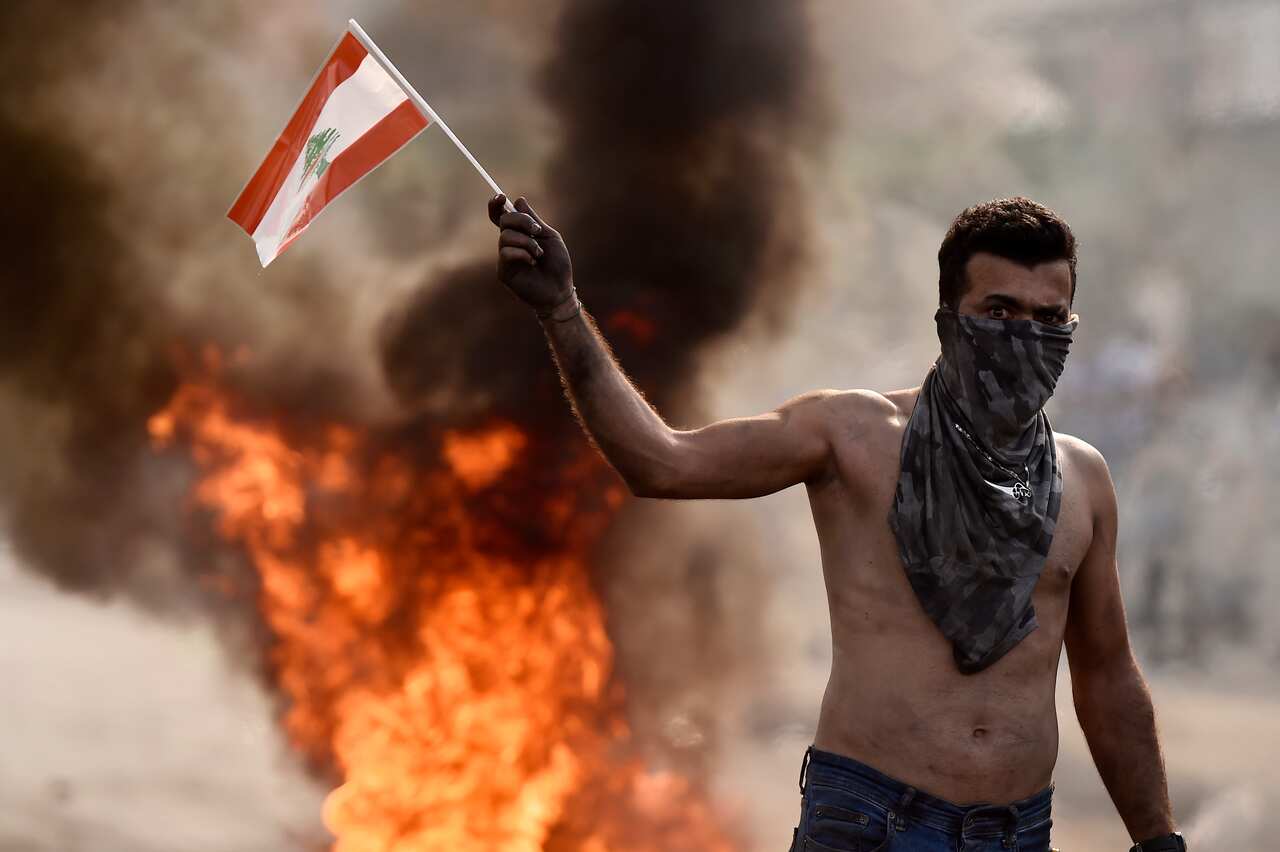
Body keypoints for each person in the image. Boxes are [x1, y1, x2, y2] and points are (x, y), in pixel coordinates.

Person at [489, 194, 1184, 852]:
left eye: (1046, 318)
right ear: (948, 317)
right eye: (998, 311)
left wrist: (1158, 839)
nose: (1023, 337)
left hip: (1017, 832)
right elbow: (663, 462)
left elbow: (1107, 675)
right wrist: (562, 311)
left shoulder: (1081, 477)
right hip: (870, 823)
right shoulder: (851, 433)